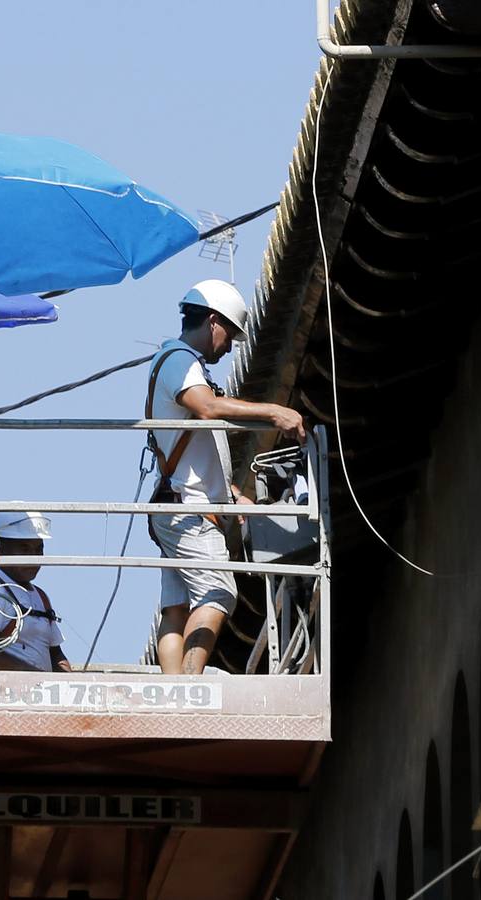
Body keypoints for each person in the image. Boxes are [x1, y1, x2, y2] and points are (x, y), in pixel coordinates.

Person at [145, 279, 306, 675]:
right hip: (189, 511)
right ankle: (189, 685)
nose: (230, 347)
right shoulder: (180, 361)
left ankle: (173, 691)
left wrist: (233, 496)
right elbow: (206, 407)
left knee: (177, 606)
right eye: (229, 335)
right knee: (219, 594)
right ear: (213, 321)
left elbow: (195, 455)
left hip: (177, 505)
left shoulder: (177, 363)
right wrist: (272, 411)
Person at [0, 511, 73, 672]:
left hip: (37, 693)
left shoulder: (40, 597)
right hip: (0, 691)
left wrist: (69, 684)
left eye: (38, 550)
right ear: (2, 550)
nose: (33, 558)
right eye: (24, 549)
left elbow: (55, 653)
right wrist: (34, 677)